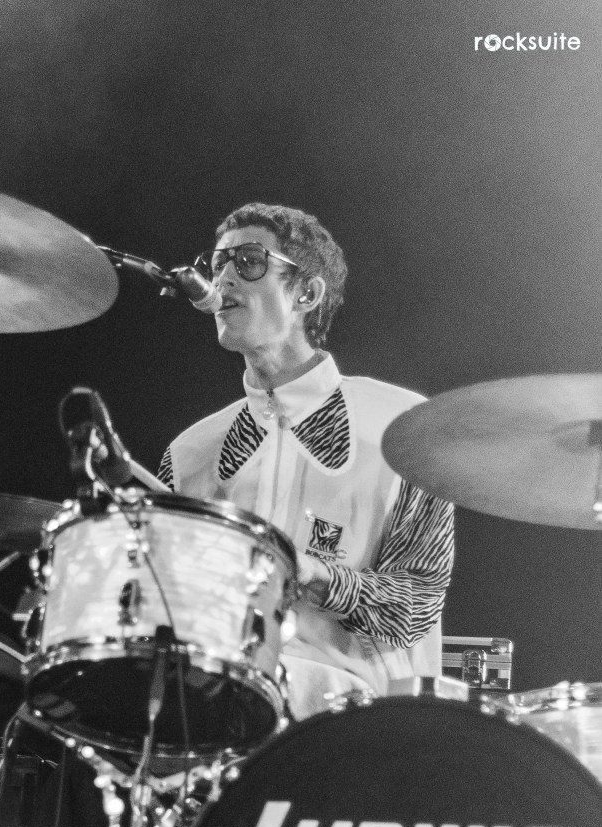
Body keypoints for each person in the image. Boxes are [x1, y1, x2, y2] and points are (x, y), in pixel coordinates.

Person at [158, 202, 455, 718]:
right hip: (218, 712)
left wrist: (311, 573)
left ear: (307, 294)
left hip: (361, 723)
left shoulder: (405, 430)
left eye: (249, 261)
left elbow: (415, 606)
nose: (223, 277)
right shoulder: (190, 454)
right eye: (218, 262)